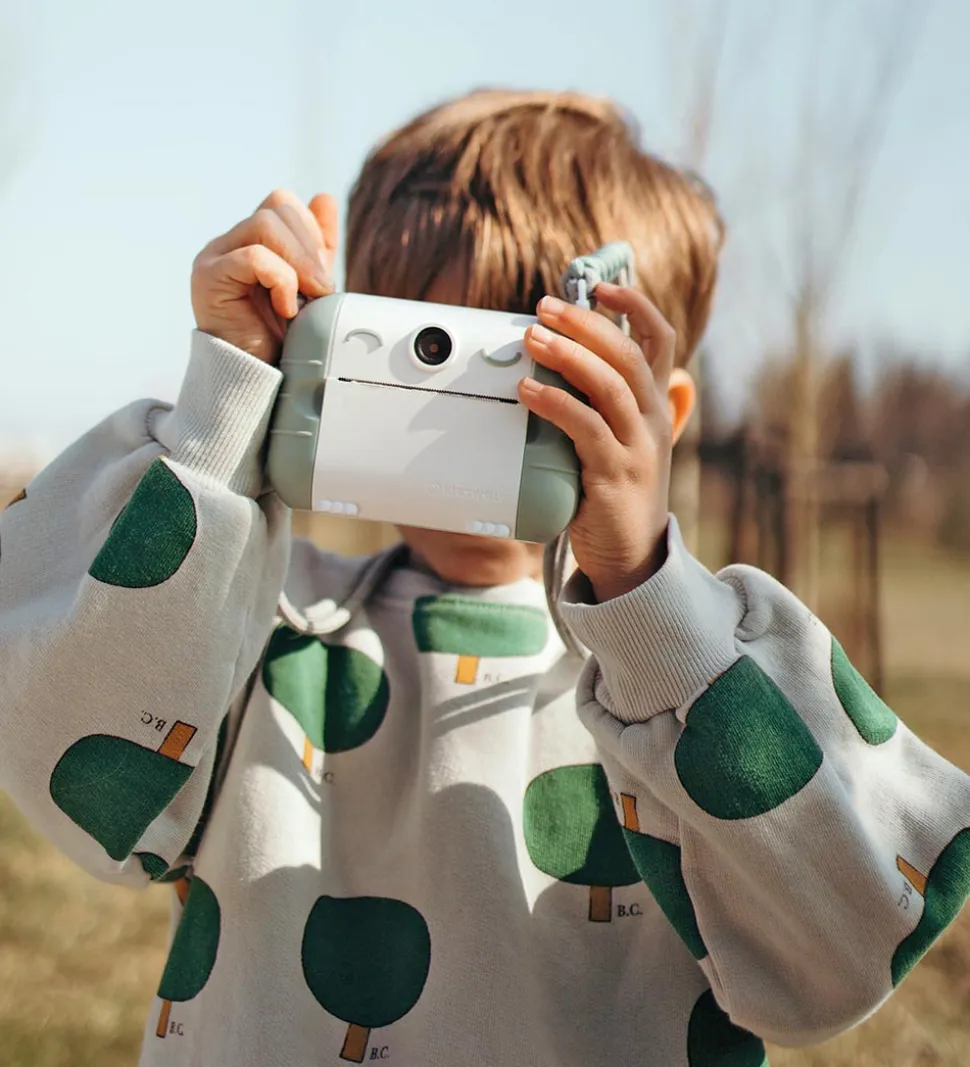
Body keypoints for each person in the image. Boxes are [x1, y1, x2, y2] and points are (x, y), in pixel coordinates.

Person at [1, 89, 969, 1067]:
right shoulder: (249, 612)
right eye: (421, 348)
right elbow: (87, 791)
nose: (455, 409)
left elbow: (842, 955)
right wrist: (221, 418)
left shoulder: (695, 674)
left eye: (518, 366)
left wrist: (647, 594)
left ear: (658, 415)